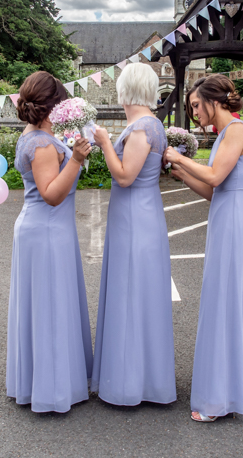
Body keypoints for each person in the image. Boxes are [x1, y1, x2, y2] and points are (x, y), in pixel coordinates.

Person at [164, 74, 243, 423]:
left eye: (195, 105)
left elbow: (216, 176)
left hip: (236, 222)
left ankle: (220, 399)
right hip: (227, 215)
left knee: (225, 302)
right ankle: (239, 385)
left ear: (214, 100)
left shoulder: (236, 130)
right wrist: (182, 174)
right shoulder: (225, 134)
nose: (193, 113)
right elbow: (212, 190)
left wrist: (177, 155)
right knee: (230, 300)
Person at [6, 71, 94, 413]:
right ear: (52, 105)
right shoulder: (41, 144)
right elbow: (52, 194)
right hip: (45, 231)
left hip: (43, 230)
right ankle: (52, 389)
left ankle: (41, 378)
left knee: (44, 307)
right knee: (50, 307)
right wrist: (76, 159)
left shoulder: (33, 135)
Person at [91, 63, 176, 406]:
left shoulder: (142, 127)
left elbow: (125, 176)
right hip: (137, 214)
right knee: (137, 294)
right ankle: (140, 377)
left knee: (132, 294)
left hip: (135, 218)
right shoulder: (148, 124)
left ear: (125, 90)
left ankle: (129, 383)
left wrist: (102, 142)